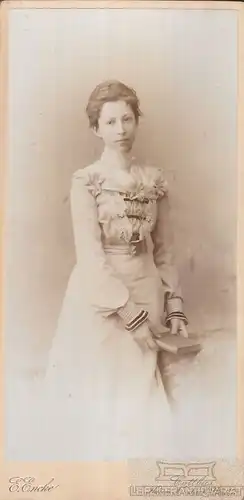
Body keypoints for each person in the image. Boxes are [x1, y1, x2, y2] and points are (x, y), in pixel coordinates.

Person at [40, 80, 189, 460]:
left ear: (137, 122)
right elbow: (90, 255)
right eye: (110, 122)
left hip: (148, 292)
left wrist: (174, 304)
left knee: (143, 405)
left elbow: (166, 250)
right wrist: (127, 311)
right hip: (101, 298)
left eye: (127, 119)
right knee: (100, 399)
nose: (120, 130)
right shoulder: (86, 182)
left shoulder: (154, 181)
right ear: (96, 129)